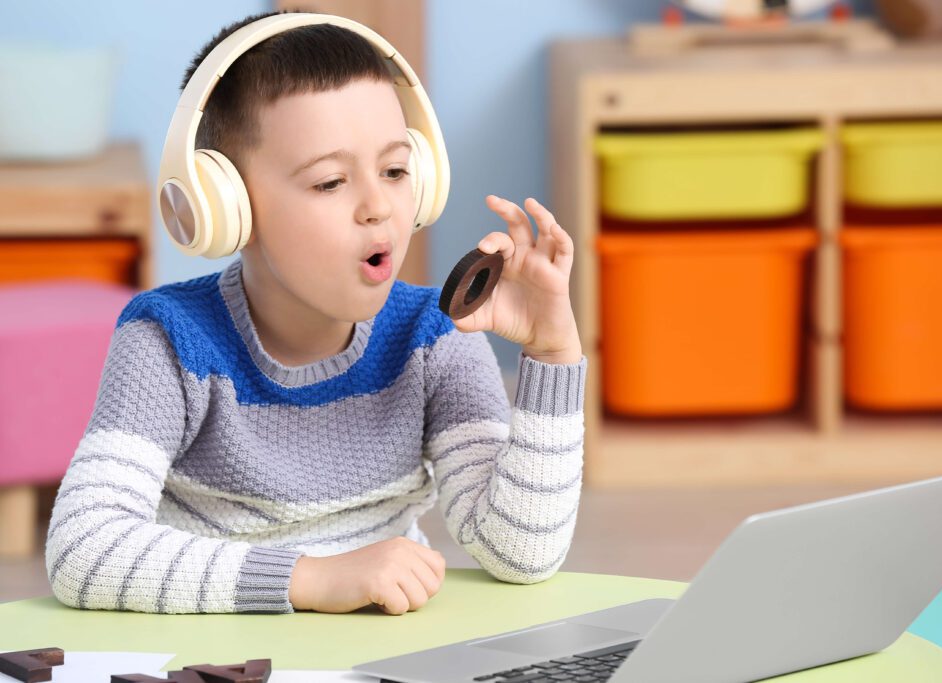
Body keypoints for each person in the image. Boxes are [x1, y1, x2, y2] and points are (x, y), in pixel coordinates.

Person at [45, 11, 586, 616]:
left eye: (396, 170)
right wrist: (308, 579)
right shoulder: (169, 343)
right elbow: (82, 550)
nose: (378, 206)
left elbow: (522, 552)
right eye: (330, 182)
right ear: (226, 209)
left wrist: (553, 355)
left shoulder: (434, 338)